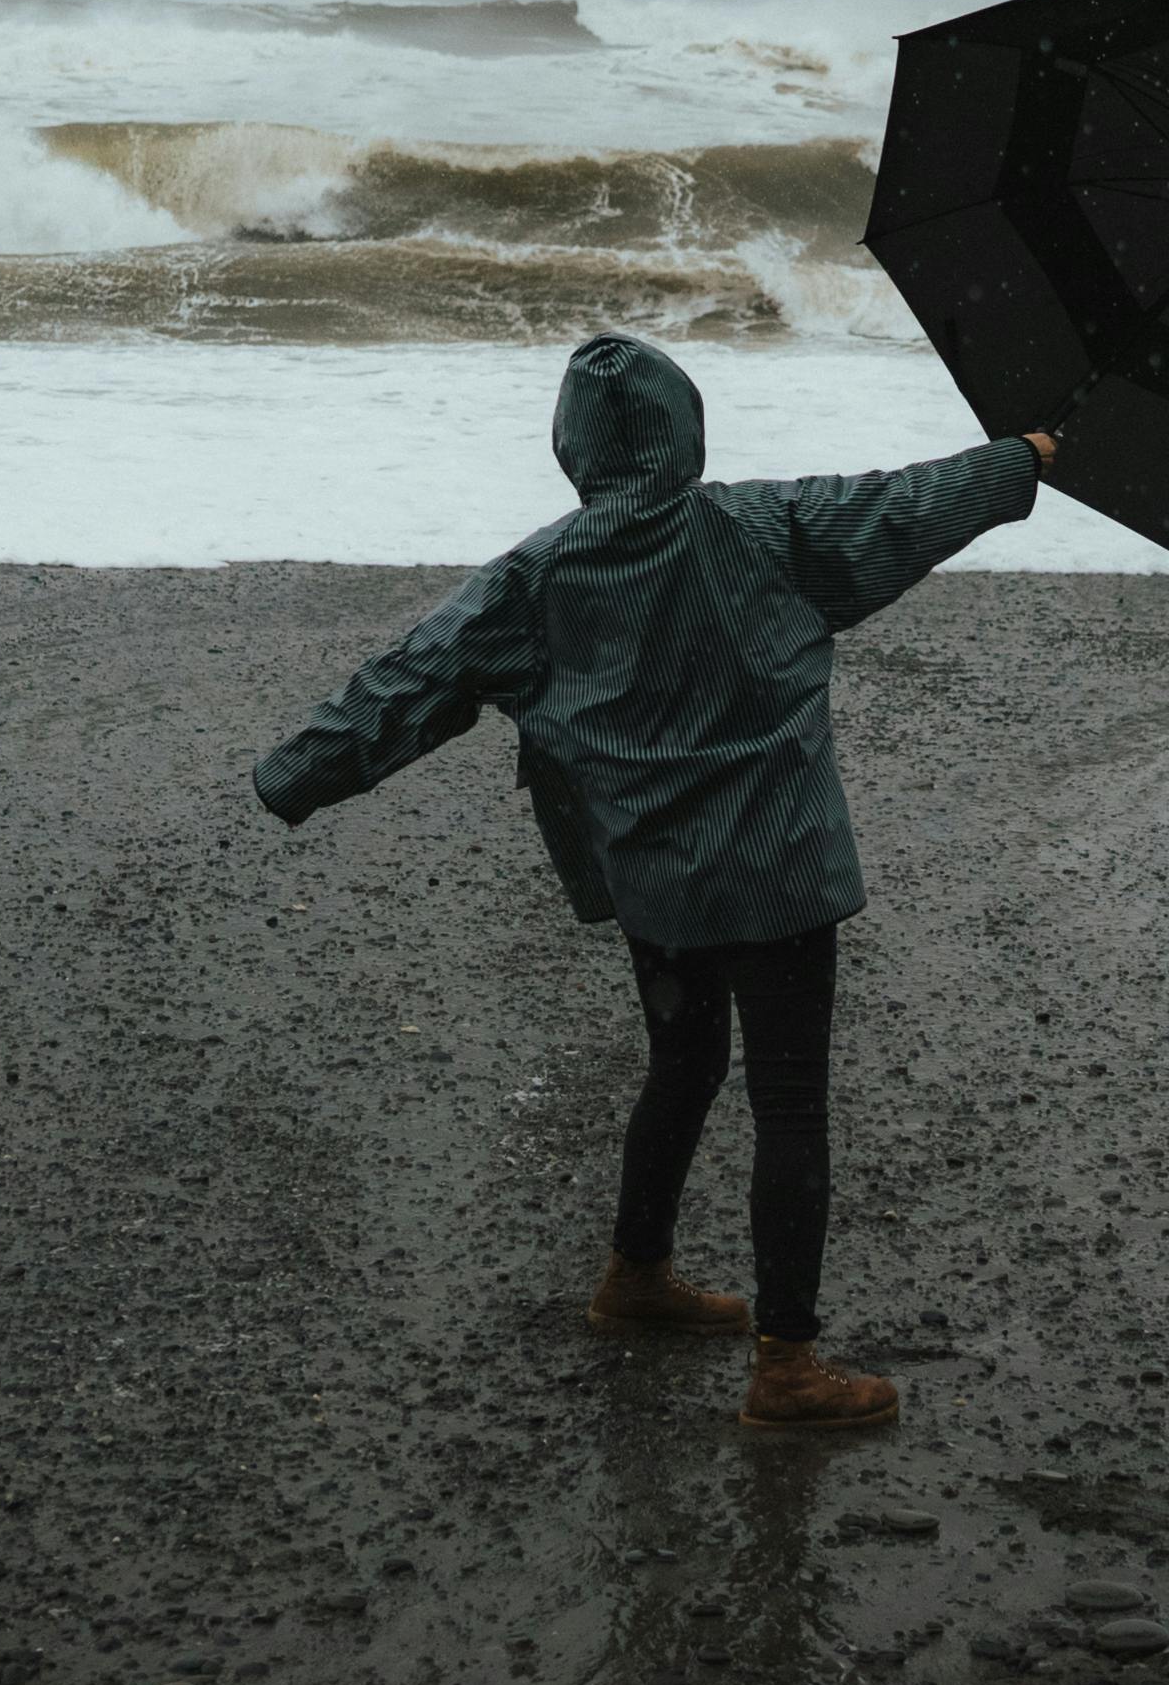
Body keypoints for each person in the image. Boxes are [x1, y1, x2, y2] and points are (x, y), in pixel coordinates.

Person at [252, 332, 1055, 1430]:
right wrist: (1026, 456)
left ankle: (636, 1275)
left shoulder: (536, 575)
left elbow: (407, 680)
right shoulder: (764, 528)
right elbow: (907, 504)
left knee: (682, 1062)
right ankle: (787, 1368)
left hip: (655, 879)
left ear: (571, 449)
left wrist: (295, 774)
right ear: (687, 428)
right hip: (775, 873)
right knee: (786, 1099)